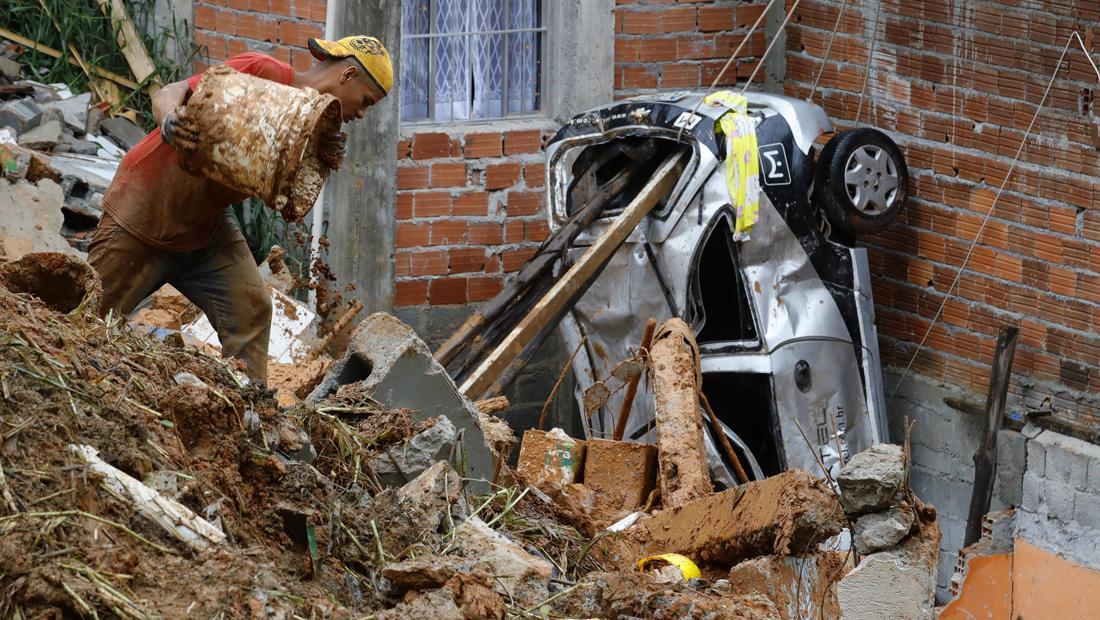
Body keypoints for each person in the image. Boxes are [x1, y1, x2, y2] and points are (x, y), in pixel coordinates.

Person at [88, 36, 392, 384]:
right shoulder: (265, 71)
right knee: (88, 319)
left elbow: (280, 195)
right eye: (366, 101)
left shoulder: (308, 125)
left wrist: (313, 155)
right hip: (144, 211)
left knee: (252, 310)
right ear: (348, 74)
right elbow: (171, 91)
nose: (362, 114)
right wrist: (170, 118)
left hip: (205, 227)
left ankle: (250, 411)